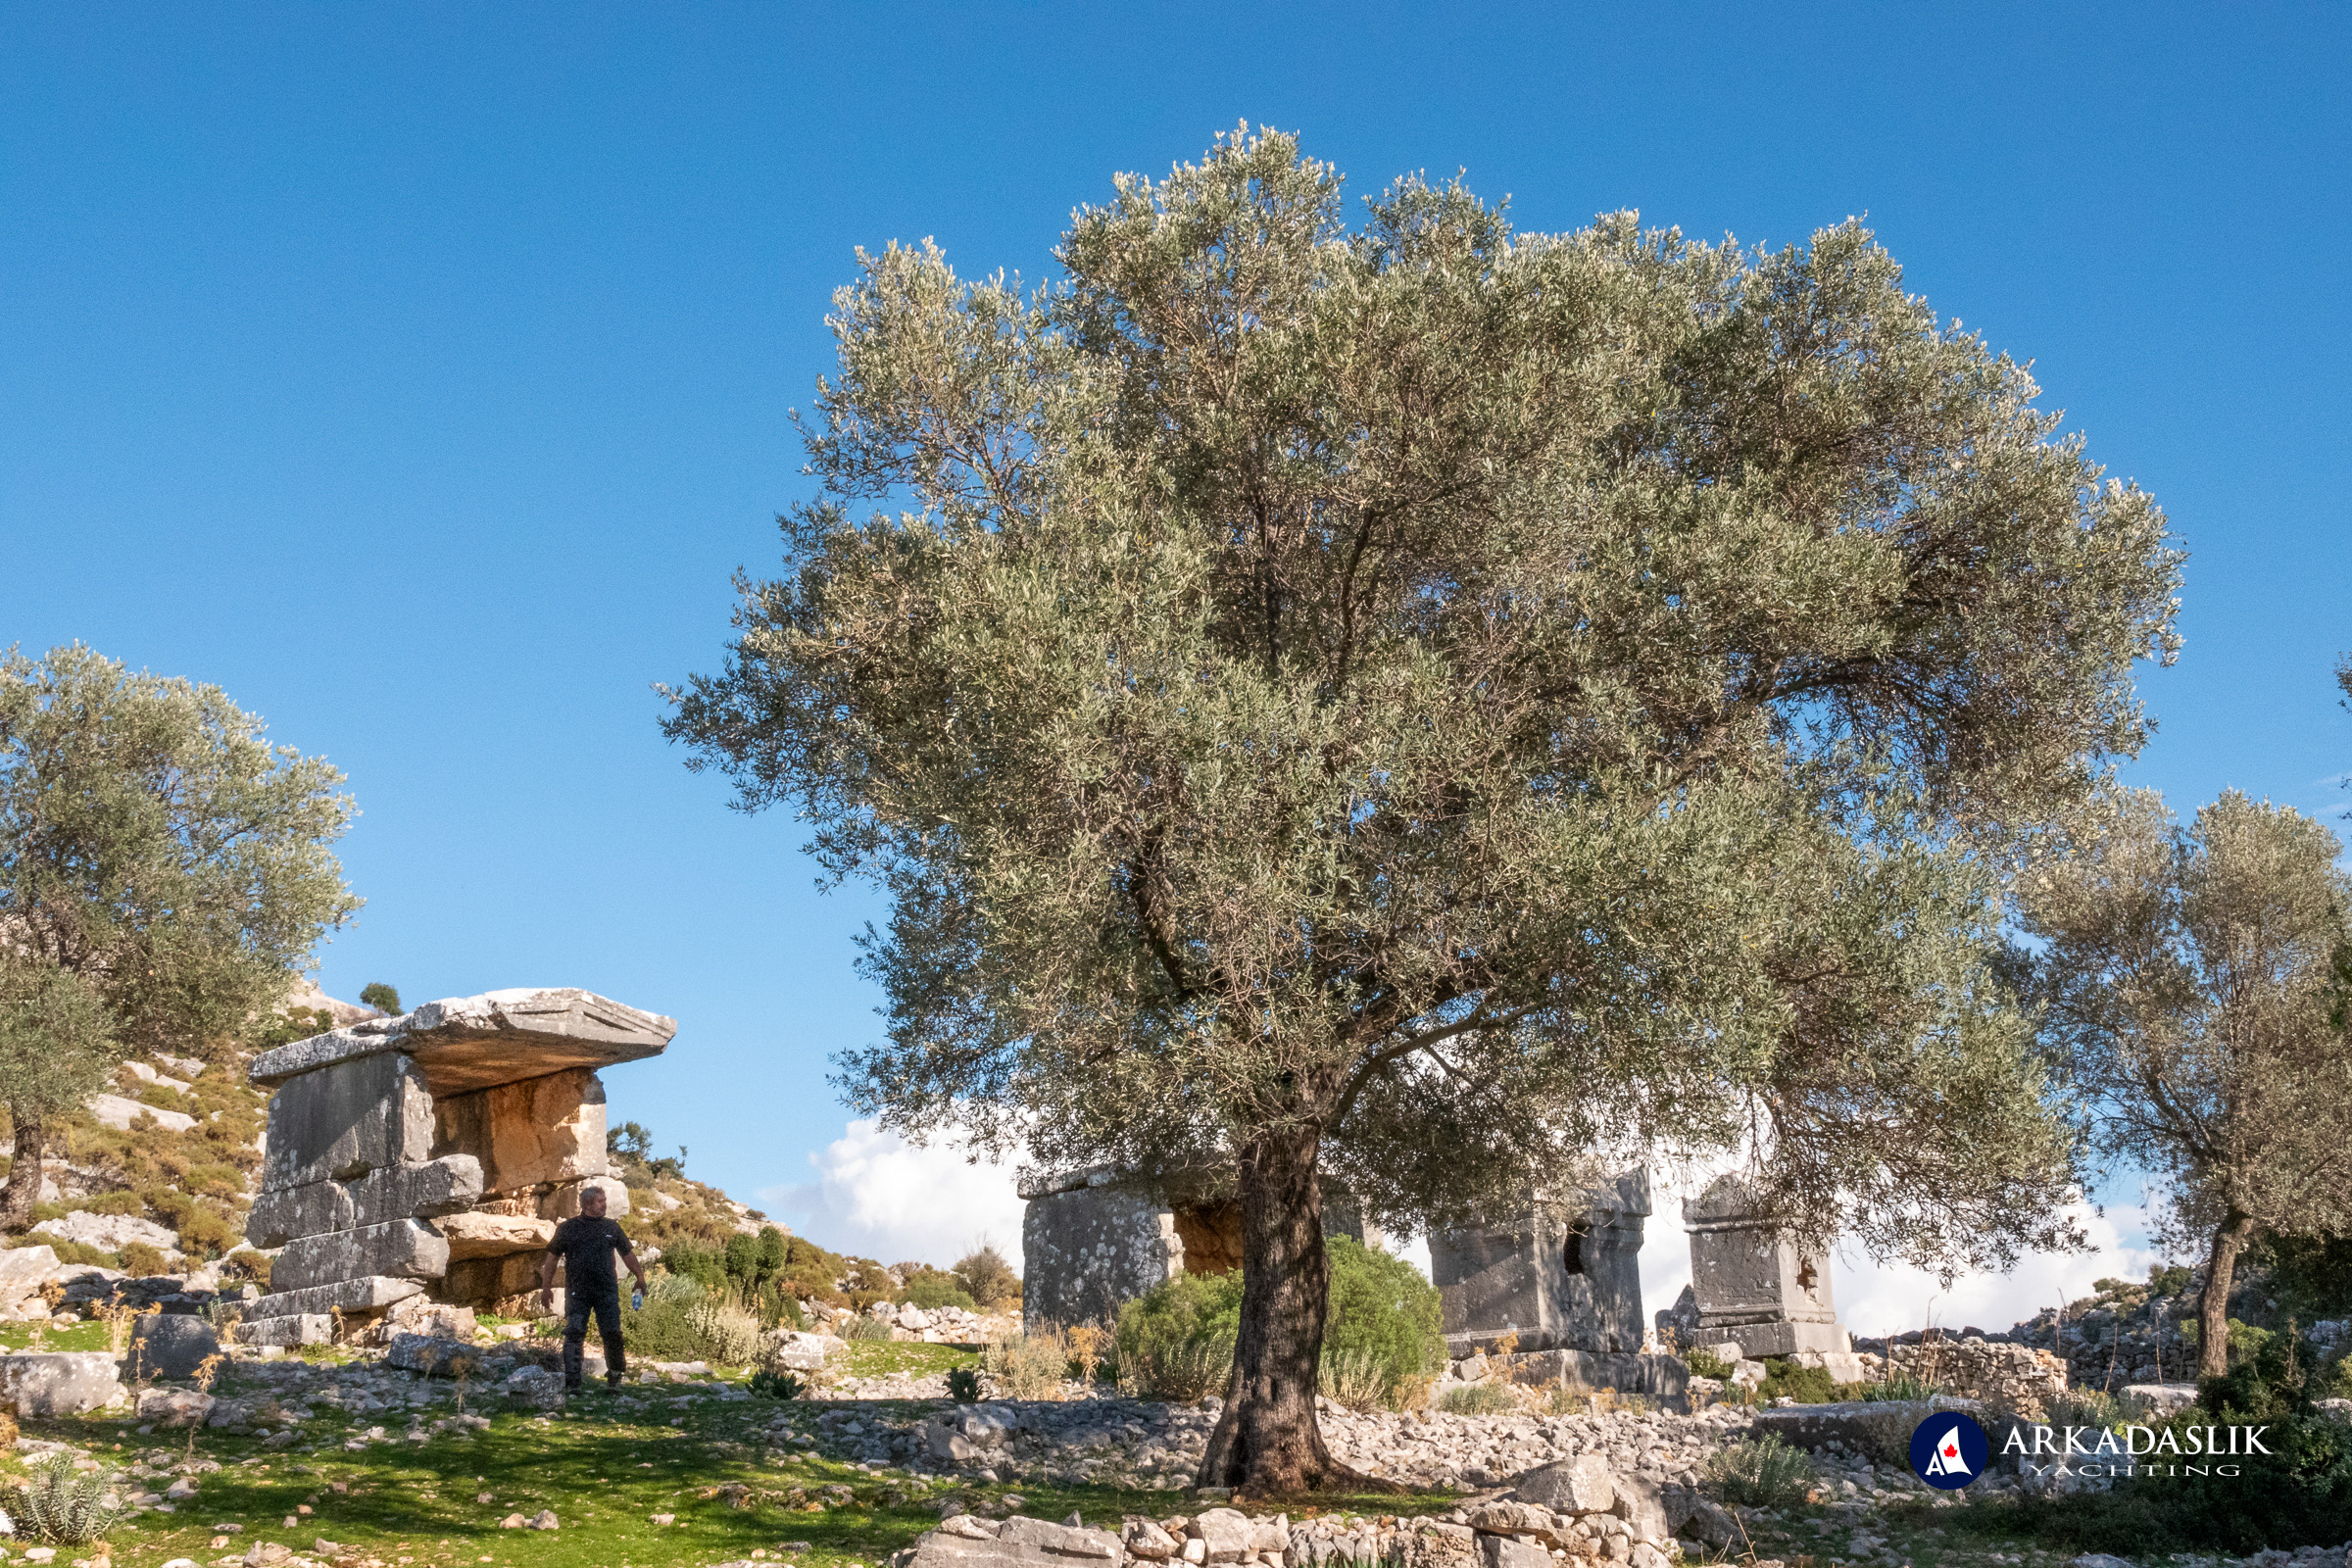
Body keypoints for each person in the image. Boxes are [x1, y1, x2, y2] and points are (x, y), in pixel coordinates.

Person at [538, 1184, 647, 1392]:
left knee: (612, 1333)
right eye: (601, 1202)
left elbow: (627, 1254)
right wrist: (546, 1287)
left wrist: (640, 1277)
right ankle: (573, 1384)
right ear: (588, 1204)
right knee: (574, 1333)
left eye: (604, 1201)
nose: (605, 1205)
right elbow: (552, 1258)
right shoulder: (567, 1229)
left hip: (607, 1291)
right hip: (578, 1292)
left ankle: (615, 1376)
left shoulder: (611, 1228)